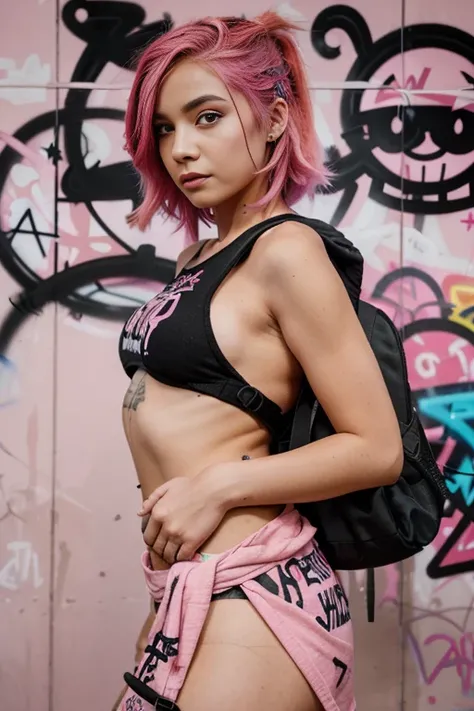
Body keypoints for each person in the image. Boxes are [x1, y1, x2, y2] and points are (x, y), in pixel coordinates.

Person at [116, 11, 403, 711]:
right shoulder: (198, 257)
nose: (182, 148)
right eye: (165, 128)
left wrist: (215, 487)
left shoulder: (287, 251)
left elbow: (377, 446)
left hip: (258, 590)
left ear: (274, 120)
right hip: (194, 590)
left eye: (206, 117)